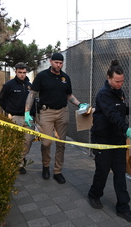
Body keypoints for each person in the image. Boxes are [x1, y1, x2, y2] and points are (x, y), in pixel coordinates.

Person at [87, 59, 131, 223]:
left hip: (118, 140)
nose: (120, 83)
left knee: (120, 173)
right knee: (102, 171)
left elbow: (121, 110)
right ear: (109, 78)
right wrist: (126, 129)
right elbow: (112, 114)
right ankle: (94, 194)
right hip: (103, 138)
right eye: (117, 81)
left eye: (122, 81)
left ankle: (123, 207)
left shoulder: (120, 92)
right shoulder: (103, 94)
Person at [24, 52, 88, 184]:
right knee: (46, 143)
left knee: (61, 143)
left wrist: (80, 104)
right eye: (56, 62)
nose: (58, 65)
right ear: (50, 61)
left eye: (60, 63)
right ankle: (46, 166)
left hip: (62, 112)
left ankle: (57, 171)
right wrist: (26, 112)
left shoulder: (65, 78)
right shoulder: (42, 76)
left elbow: (69, 96)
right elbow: (32, 94)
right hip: (46, 113)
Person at [0, 62, 35, 174]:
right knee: (16, 141)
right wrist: (9, 110)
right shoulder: (9, 85)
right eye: (20, 72)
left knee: (28, 141)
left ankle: (21, 157)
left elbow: (33, 101)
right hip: (15, 117)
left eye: (24, 72)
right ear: (16, 72)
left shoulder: (30, 85)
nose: (22, 75)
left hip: (28, 118)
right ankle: (19, 164)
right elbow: (0, 99)